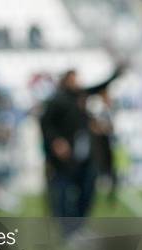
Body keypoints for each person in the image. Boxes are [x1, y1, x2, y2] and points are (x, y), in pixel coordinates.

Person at [40, 66, 122, 234]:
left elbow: (97, 88)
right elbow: (45, 124)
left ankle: (79, 226)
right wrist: (56, 141)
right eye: (74, 79)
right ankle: (67, 230)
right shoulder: (57, 100)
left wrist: (115, 74)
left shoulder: (79, 96)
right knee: (62, 194)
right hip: (64, 159)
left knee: (87, 190)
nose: (78, 82)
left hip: (84, 156)